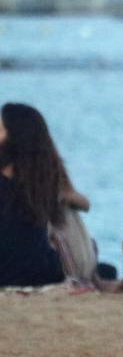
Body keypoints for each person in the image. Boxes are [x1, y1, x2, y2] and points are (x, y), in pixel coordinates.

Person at [0, 102, 91, 288]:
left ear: (13, 137)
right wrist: (65, 197)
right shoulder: (44, 175)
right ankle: (90, 275)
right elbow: (84, 203)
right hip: (43, 272)